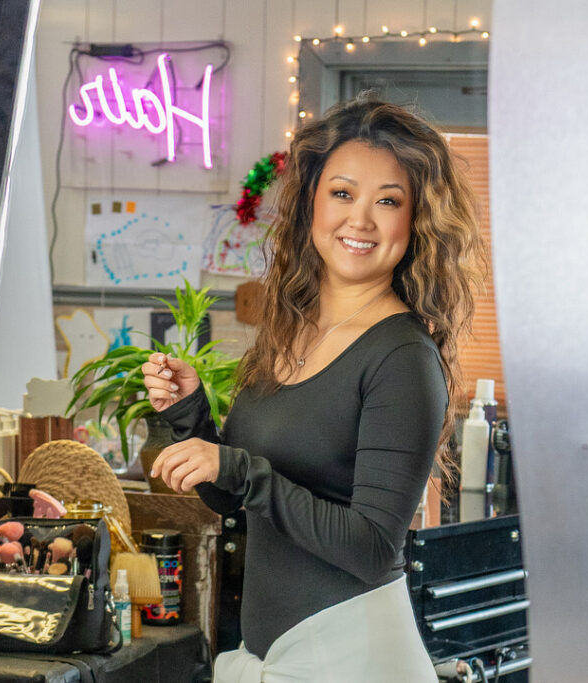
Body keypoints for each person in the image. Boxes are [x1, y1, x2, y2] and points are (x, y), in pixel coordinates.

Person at [141, 95, 485, 682]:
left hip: (355, 659)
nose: (361, 220)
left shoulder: (402, 356)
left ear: (415, 221)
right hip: (279, 660)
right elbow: (237, 498)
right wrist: (192, 418)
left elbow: (373, 545)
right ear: (311, 204)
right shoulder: (289, 330)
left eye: (389, 201)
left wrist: (239, 469)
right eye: (343, 193)